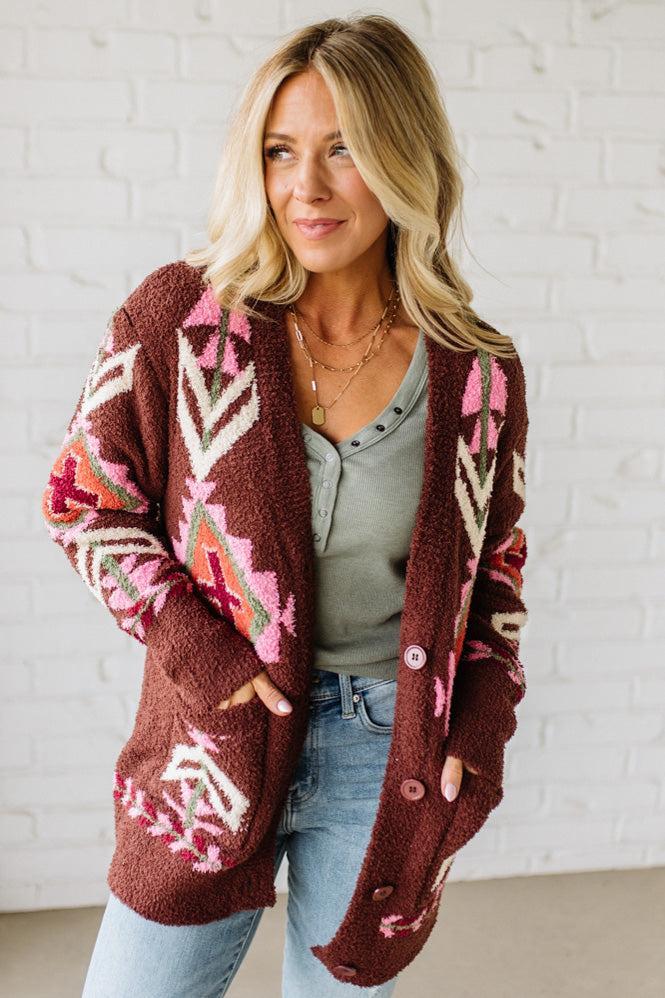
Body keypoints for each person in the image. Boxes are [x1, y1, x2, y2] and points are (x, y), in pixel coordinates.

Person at [42, 14, 529, 997]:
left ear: (404, 157)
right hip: (209, 740)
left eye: (342, 148)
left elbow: (495, 570)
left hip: (383, 749)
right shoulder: (180, 320)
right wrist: (200, 650)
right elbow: (83, 502)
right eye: (279, 150)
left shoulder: (474, 371)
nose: (303, 186)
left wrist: (477, 725)